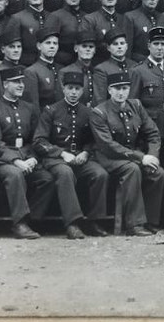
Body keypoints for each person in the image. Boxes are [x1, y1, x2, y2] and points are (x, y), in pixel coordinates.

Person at [33, 69, 111, 239]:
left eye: (77, 89)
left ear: (82, 91)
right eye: (70, 88)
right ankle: (72, 223)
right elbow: (39, 141)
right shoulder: (51, 111)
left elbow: (93, 140)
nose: (74, 92)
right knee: (65, 173)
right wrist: (61, 153)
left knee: (100, 174)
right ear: (63, 89)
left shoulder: (88, 112)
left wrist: (85, 152)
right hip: (55, 159)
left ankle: (94, 221)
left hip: (79, 158)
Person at [89, 72, 163, 236]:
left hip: (133, 156)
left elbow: (153, 133)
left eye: (124, 88)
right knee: (132, 170)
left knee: (158, 173)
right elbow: (107, 145)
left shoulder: (136, 105)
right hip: (108, 158)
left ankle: (150, 221)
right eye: (117, 89)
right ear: (109, 90)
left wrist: (152, 156)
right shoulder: (99, 112)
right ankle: (134, 224)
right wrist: (141, 157)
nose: (121, 93)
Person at [0, 65, 45, 239]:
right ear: (5, 85)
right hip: (2, 159)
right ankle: (19, 224)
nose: (21, 85)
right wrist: (16, 161)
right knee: (15, 175)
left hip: (26, 156)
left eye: (22, 81)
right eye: (16, 82)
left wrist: (32, 157)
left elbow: (35, 139)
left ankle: (32, 218)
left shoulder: (29, 108)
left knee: (47, 179)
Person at [130, 26, 164, 228]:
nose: (160, 48)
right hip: (148, 132)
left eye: (163, 44)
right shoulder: (139, 71)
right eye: (156, 44)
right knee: (152, 174)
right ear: (148, 46)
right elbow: (133, 104)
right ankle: (150, 220)